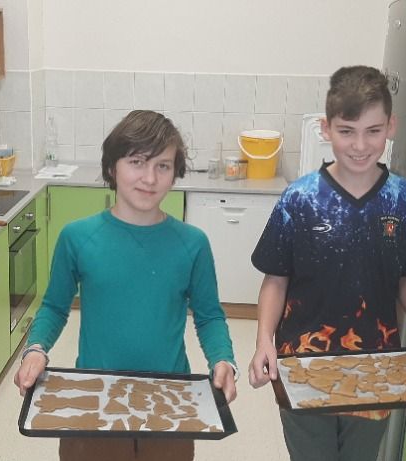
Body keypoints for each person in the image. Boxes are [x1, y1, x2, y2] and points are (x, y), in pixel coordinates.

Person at [247, 65, 406, 461]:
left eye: (373, 131)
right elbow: (276, 279)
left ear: (391, 127)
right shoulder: (299, 199)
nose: (360, 145)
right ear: (326, 129)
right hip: (302, 364)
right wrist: (264, 339)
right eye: (347, 131)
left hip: (376, 369)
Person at [14, 110, 238, 461]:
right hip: (95, 398)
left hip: (169, 399)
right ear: (111, 168)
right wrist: (36, 349)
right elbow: (54, 307)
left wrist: (223, 359)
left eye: (163, 166)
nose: (150, 178)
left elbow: (209, 316)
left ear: (175, 173)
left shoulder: (192, 244)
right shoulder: (78, 237)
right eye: (137, 162)